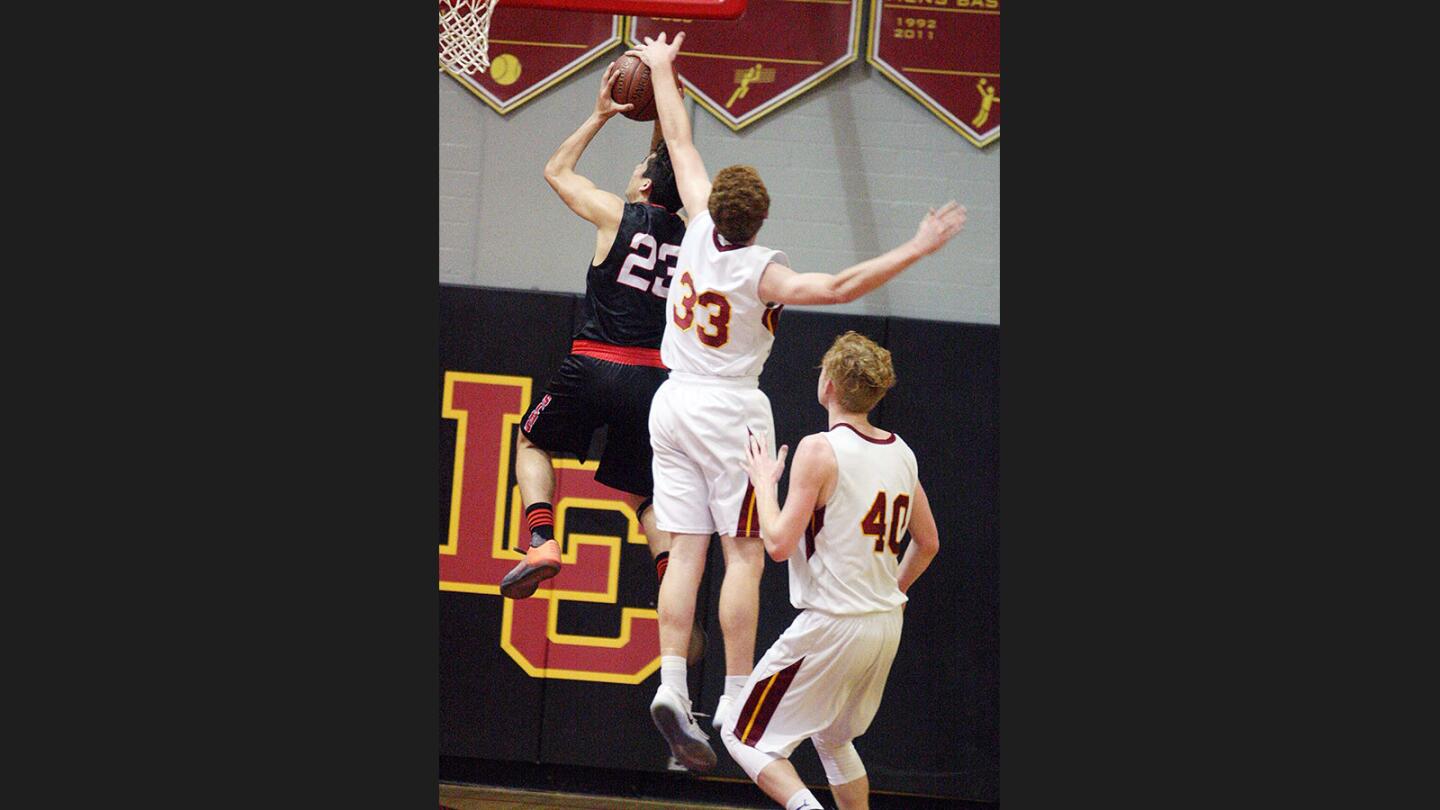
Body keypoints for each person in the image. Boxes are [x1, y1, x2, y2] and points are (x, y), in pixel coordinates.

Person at [624, 31, 967, 774]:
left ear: (714, 206)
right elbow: (841, 288)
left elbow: (679, 138)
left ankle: (673, 684)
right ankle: (737, 700)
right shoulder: (760, 271)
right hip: (727, 408)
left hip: (669, 399)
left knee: (682, 549)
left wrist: (660, 69)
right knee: (743, 553)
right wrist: (917, 247)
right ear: (761, 222)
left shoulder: (692, 227)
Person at [500, 61, 693, 636]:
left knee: (532, 440)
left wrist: (601, 114)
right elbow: (674, 160)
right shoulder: (696, 239)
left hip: (595, 363)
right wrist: (668, 99)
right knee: (644, 494)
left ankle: (541, 540)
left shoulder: (617, 211)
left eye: (638, 169)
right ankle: (671, 586)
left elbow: (556, 171)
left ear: (641, 186)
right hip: (655, 382)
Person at [729, 331, 940, 810]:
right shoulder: (902, 452)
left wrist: (765, 483)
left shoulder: (820, 449)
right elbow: (927, 543)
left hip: (833, 624)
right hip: (884, 624)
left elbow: (779, 545)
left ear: (827, 384)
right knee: (833, 738)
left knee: (744, 736)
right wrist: (890, 591)